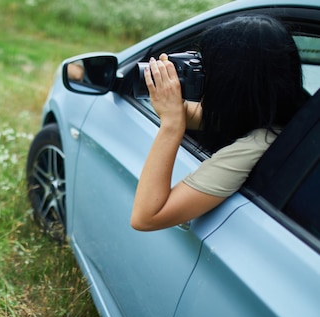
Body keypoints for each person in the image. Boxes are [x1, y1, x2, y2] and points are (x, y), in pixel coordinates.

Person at [130, 14, 309, 231]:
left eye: (206, 67)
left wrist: (171, 125)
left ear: (231, 81)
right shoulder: (294, 112)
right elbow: (214, 118)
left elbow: (146, 217)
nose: (202, 74)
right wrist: (168, 92)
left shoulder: (256, 146)